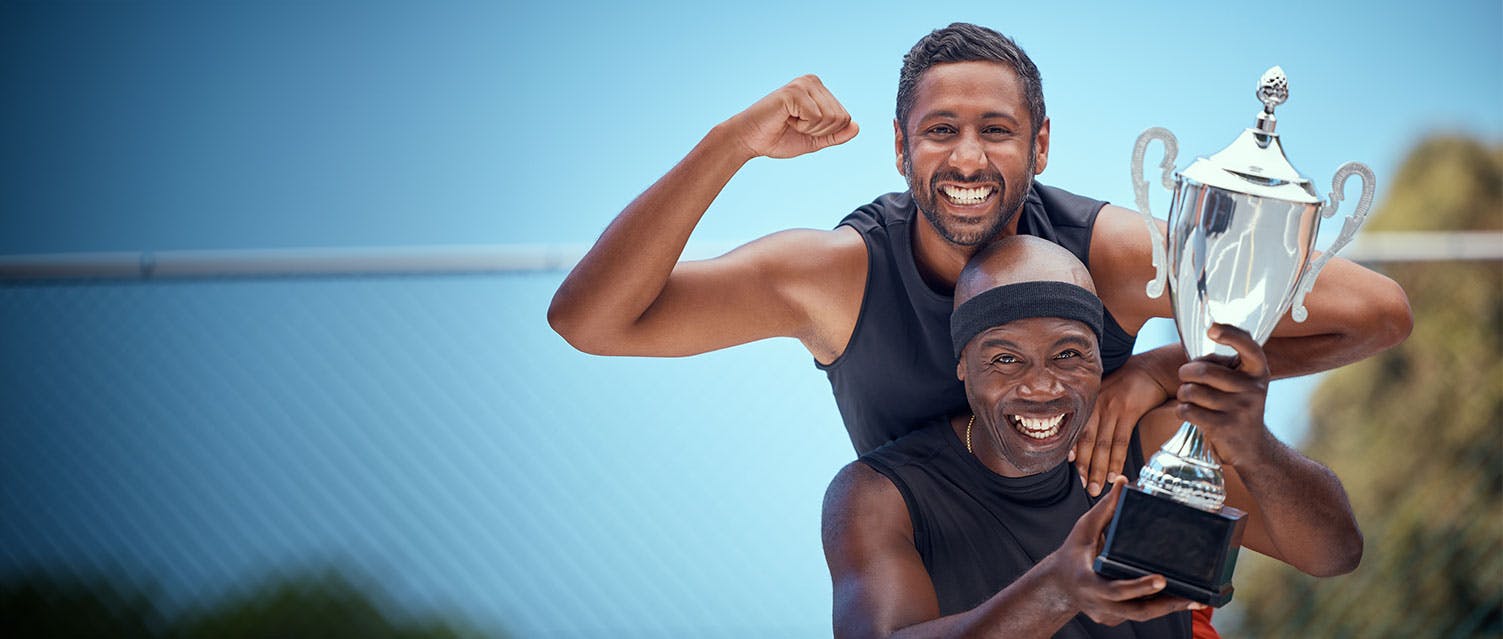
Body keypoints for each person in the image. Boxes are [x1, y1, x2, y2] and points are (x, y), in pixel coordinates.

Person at [548, 22, 1410, 493]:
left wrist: (1155, 368)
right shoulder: (838, 276)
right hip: (940, 595)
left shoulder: (1103, 253)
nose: (966, 159)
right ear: (898, 148)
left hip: (1107, 587)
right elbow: (588, 322)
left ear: (1040, 144)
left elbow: (1376, 313)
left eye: (995, 131)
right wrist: (729, 143)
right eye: (938, 132)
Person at [819, 236, 1363, 638]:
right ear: (963, 365)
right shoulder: (880, 494)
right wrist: (1058, 589)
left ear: (1101, 360)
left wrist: (1257, 450)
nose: (1041, 386)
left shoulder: (1156, 444)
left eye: (1069, 354)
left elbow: (1334, 554)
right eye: (1005, 359)